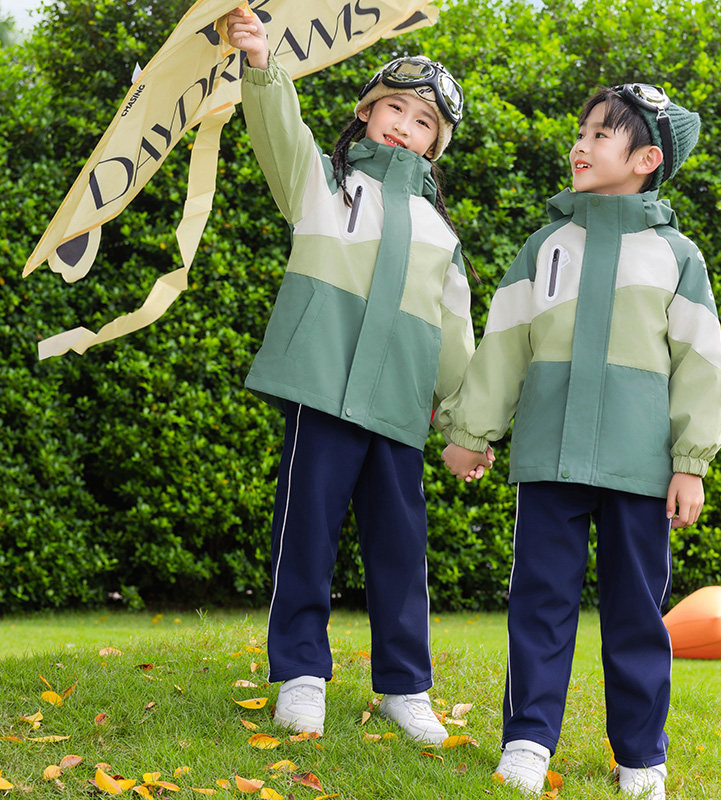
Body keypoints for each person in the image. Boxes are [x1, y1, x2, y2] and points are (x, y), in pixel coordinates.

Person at [439, 83, 721, 798]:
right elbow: (504, 344)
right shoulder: (546, 247)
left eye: (601, 135)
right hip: (549, 457)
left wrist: (690, 464)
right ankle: (529, 740)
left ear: (647, 158)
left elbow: (699, 365)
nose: (581, 144)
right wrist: (472, 432)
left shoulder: (676, 256)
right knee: (539, 602)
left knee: (636, 612)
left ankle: (641, 758)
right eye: (581, 131)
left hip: (639, 468)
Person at [225, 8, 482, 744]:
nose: (406, 125)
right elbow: (276, 128)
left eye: (424, 120)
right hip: (323, 392)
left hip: (400, 408)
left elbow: (456, 333)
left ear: (439, 144)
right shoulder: (320, 182)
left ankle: (407, 689)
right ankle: (301, 676)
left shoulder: (442, 233)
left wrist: (465, 422)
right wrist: (261, 64)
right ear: (366, 115)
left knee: (402, 551)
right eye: (393, 108)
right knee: (305, 535)